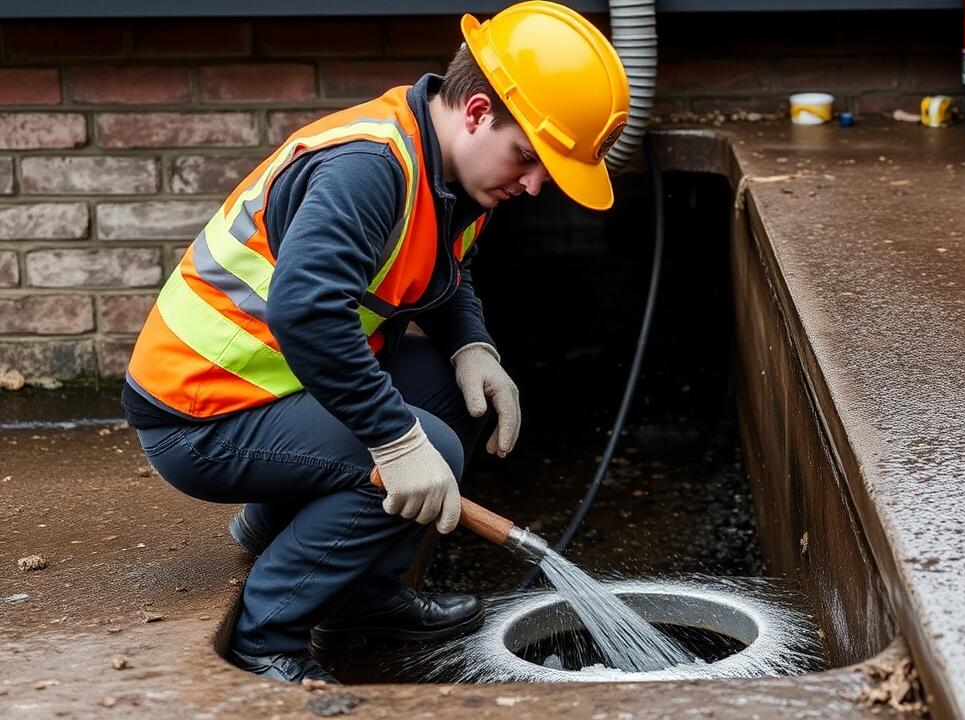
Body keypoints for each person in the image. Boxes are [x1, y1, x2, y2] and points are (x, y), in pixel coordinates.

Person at [120, 1, 629, 683]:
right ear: (477, 112)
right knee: (427, 448)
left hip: (273, 389)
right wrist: (396, 442)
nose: (535, 184)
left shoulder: (453, 178)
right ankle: (267, 634)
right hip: (200, 417)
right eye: (530, 158)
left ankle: (359, 597)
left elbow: (445, 277)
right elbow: (308, 316)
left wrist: (473, 346)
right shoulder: (370, 166)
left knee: (453, 397)